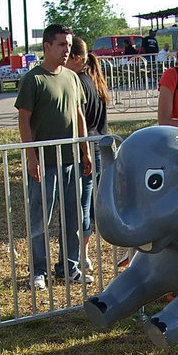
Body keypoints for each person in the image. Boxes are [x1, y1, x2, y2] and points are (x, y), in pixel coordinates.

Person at [15, 23, 93, 290]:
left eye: (69, 45)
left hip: (71, 161)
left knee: (72, 217)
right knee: (41, 220)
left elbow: (79, 115)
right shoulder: (33, 79)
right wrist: (31, 156)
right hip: (44, 163)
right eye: (61, 45)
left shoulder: (72, 77)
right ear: (47, 46)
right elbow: (23, 119)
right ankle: (39, 270)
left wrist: (85, 150)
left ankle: (69, 267)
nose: (66, 50)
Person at [65, 36, 109, 273]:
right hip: (99, 146)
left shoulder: (78, 82)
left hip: (87, 150)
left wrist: (83, 152)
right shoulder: (95, 81)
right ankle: (84, 254)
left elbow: (80, 120)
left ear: (77, 58)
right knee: (90, 205)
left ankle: (81, 255)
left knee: (82, 204)